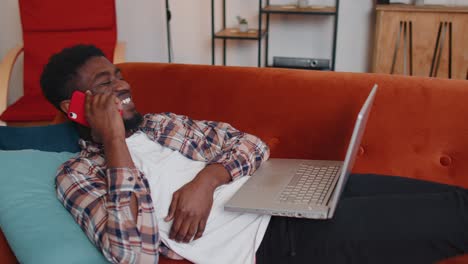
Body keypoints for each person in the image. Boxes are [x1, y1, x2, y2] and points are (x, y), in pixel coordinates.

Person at [40, 44, 468, 264]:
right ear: (73, 107)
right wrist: (113, 141)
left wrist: (206, 182)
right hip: (275, 242)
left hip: (287, 191)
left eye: (118, 74)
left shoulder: (162, 124)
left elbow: (252, 145)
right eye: (104, 83)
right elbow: (131, 254)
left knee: (455, 200)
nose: (123, 86)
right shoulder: (77, 175)